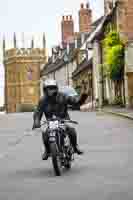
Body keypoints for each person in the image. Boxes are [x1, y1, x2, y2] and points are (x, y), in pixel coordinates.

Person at [32, 79, 83, 160]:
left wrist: (81, 98)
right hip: (50, 121)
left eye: (53, 88)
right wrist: (36, 122)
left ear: (56, 88)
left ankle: (75, 146)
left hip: (64, 119)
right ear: (45, 90)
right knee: (45, 133)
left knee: (71, 129)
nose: (51, 90)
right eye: (48, 89)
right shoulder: (42, 100)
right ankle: (47, 150)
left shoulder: (63, 96)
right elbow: (38, 112)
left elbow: (74, 101)